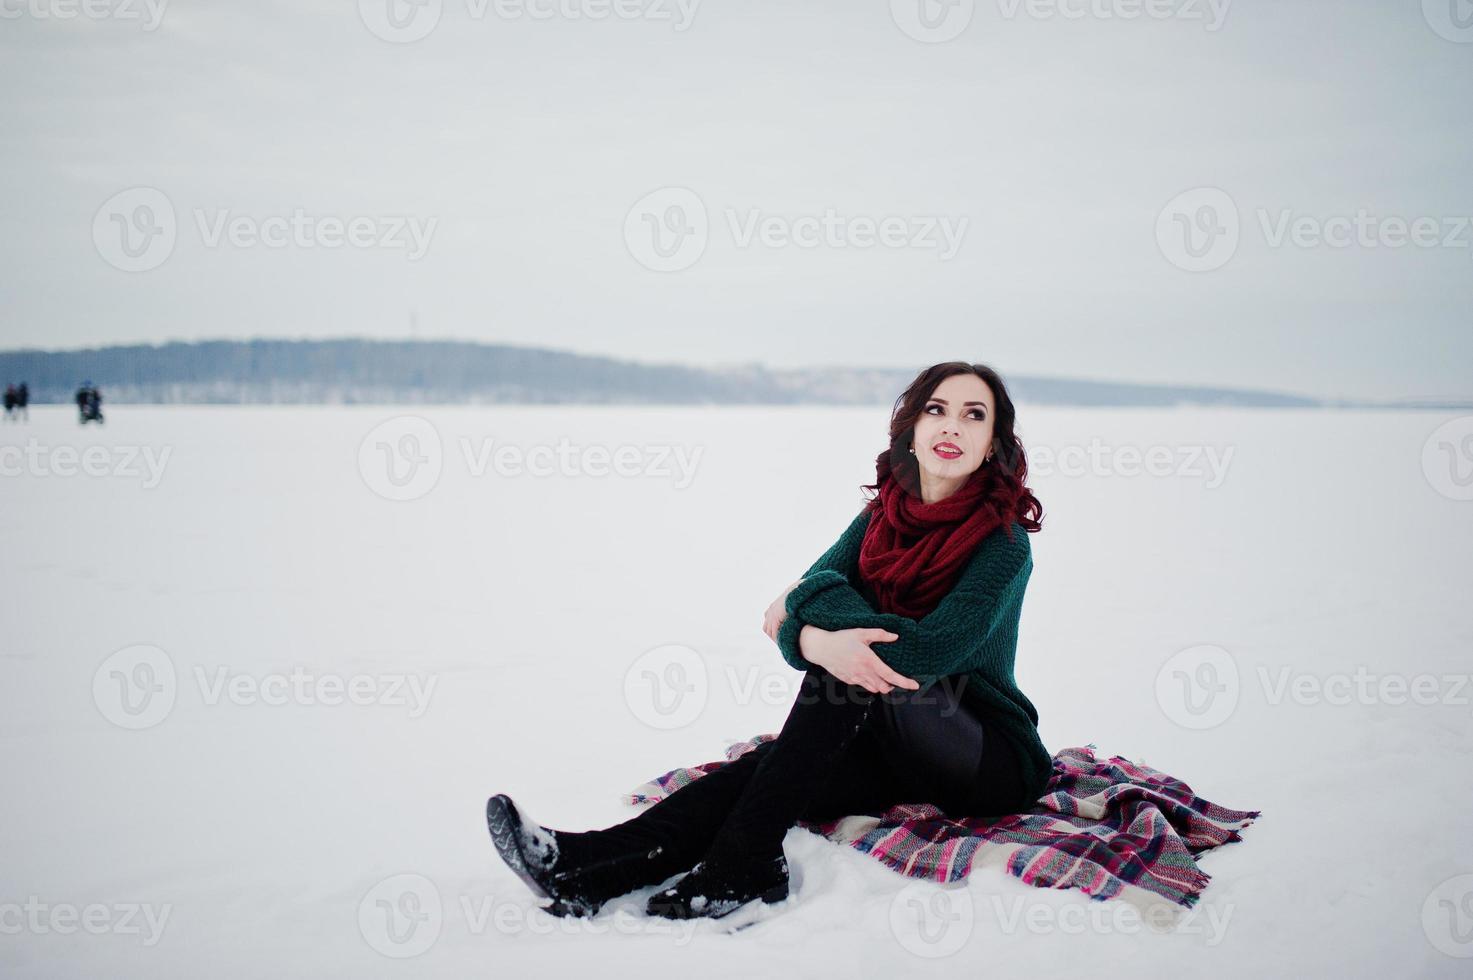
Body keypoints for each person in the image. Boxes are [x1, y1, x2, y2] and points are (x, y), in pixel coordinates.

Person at [486, 361, 1049, 923]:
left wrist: (817, 629)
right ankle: (593, 863)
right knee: (771, 770)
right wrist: (812, 635)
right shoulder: (880, 518)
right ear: (912, 431)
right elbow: (785, 611)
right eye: (937, 410)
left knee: (850, 667)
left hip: (983, 758)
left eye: (974, 416)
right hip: (887, 738)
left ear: (993, 444)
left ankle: (744, 863)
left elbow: (921, 654)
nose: (953, 427)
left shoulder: (1001, 544)